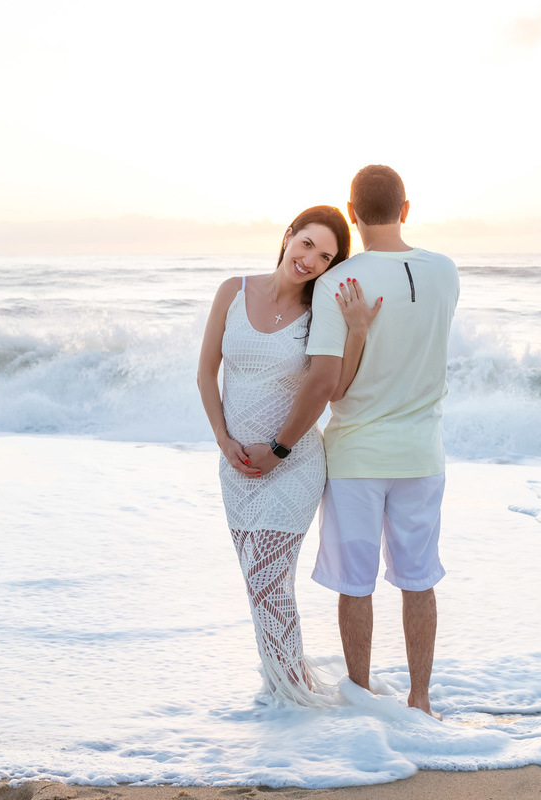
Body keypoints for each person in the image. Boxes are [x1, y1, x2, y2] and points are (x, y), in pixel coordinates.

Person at [246, 166, 459, 717]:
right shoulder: (445, 272)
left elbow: (326, 382)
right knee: (419, 580)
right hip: (422, 454)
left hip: (356, 456)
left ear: (352, 210)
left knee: (355, 586)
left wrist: (279, 446)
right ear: (405, 208)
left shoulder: (339, 282)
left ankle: (362, 698)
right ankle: (421, 700)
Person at [197, 205, 381, 707]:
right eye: (306, 245)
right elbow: (205, 372)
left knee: (267, 580)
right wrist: (223, 439)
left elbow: (335, 388)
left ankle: (291, 700)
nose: (310, 261)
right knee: (258, 585)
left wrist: (358, 331)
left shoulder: (320, 312)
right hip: (236, 466)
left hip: (294, 462)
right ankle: (281, 687)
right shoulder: (232, 291)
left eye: (325, 256)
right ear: (288, 236)